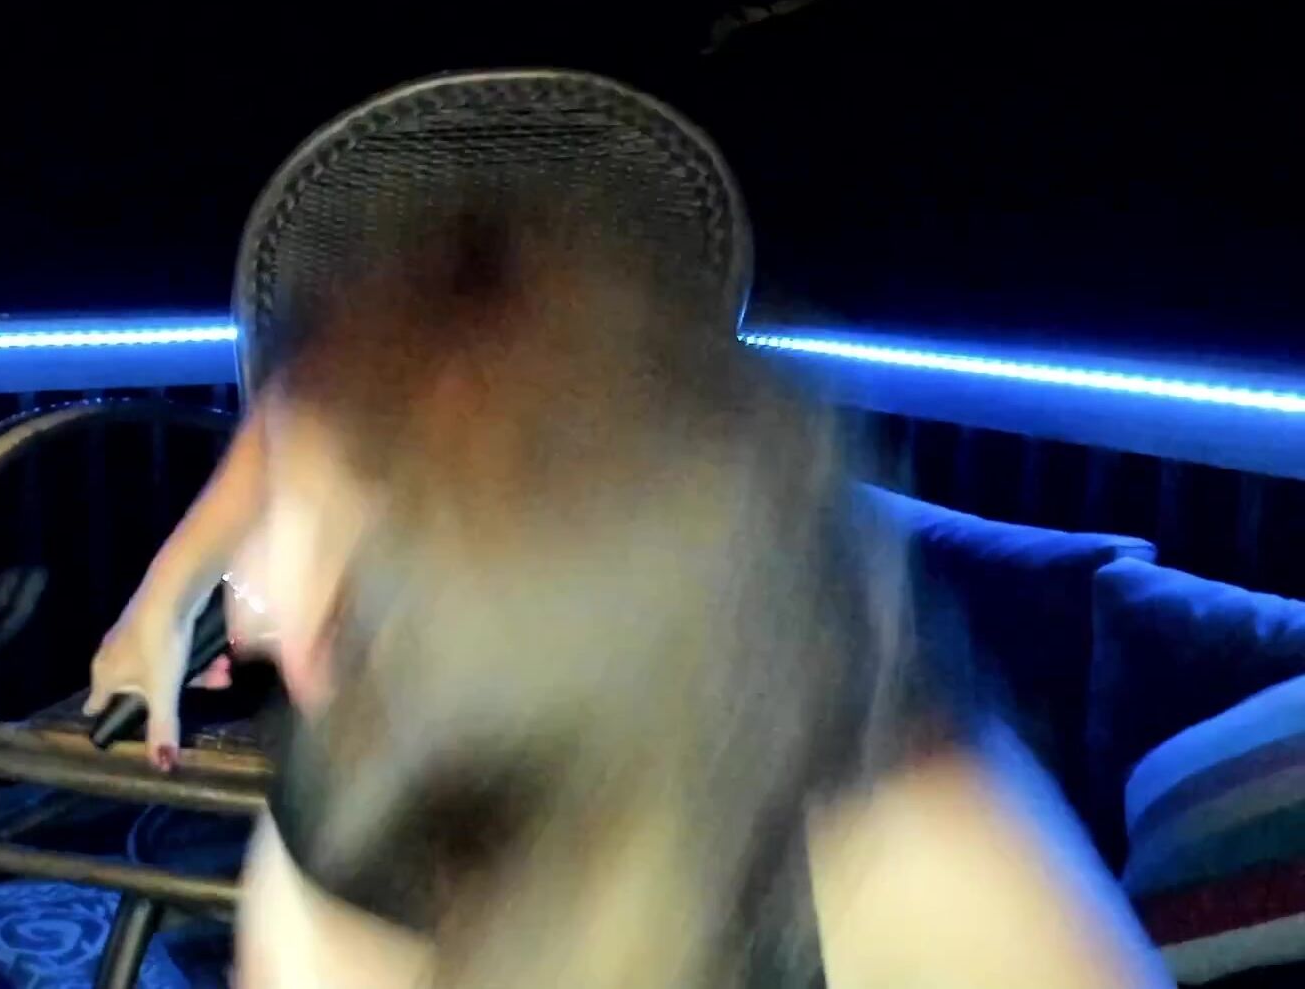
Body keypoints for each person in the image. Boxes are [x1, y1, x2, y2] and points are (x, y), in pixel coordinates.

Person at [85, 202, 1170, 987]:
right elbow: (289, 423)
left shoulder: (906, 835)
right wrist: (161, 602)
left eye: (319, 542)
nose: (253, 613)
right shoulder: (358, 787)